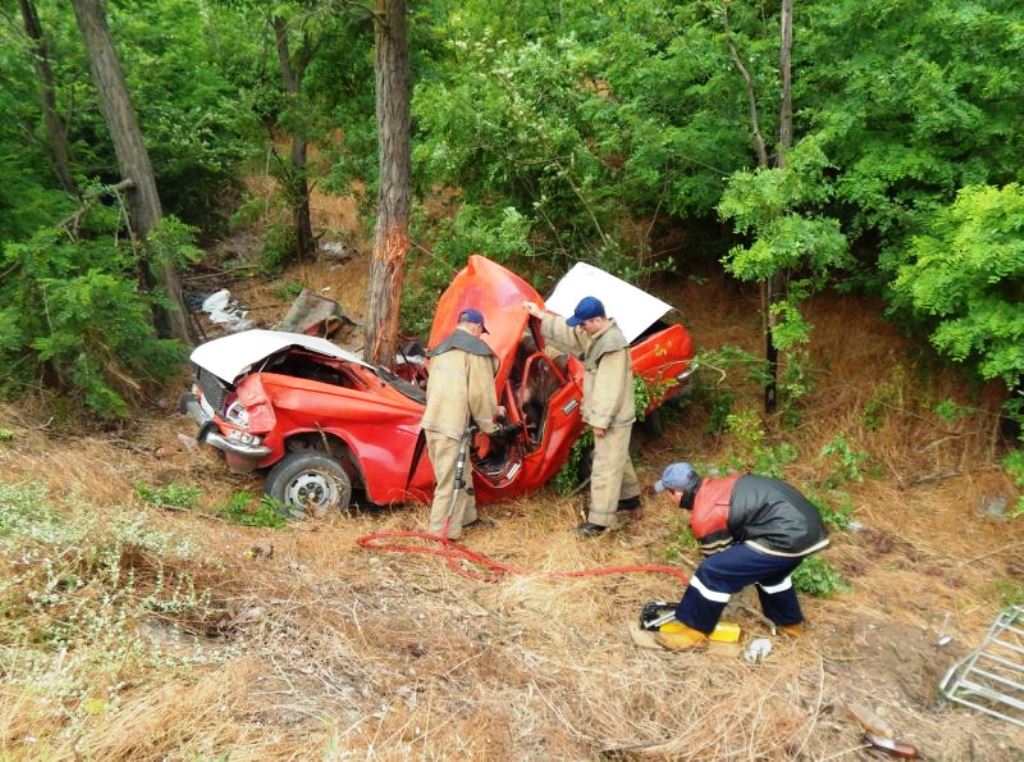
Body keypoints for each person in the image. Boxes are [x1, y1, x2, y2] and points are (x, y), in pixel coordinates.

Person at [652, 462, 829, 650]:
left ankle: (694, 633)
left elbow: (718, 560)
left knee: (712, 572)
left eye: (668, 493)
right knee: (772, 575)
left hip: (786, 535)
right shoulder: (718, 485)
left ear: (677, 494)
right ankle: (791, 625)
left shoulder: (705, 514)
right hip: (810, 528)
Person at [522, 296, 641, 536]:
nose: (581, 328)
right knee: (616, 456)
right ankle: (629, 498)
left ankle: (600, 521)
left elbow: (610, 387)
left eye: (584, 323)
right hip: (611, 415)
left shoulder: (613, 345)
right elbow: (570, 332)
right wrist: (540, 315)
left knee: (605, 466)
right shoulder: (595, 334)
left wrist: (600, 420)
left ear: (597, 319)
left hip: (612, 416)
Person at [421, 308, 506, 539]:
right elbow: (480, 396)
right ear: (477, 328)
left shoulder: (441, 349)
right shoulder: (476, 353)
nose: (481, 337)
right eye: (481, 332)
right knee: (450, 481)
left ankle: (467, 518)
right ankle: (440, 533)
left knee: (461, 470)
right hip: (452, 426)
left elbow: (434, 389)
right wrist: (492, 424)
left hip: (432, 422)